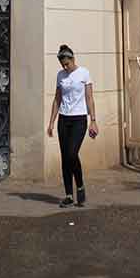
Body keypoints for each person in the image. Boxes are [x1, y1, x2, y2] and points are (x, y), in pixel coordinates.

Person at [48, 42, 98, 207]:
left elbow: (89, 98)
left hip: (79, 119)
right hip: (64, 119)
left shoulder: (84, 73)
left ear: (73, 58)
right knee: (65, 158)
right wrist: (51, 122)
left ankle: (81, 185)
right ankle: (69, 194)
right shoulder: (60, 75)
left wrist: (93, 121)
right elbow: (57, 99)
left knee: (71, 154)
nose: (65, 67)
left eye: (67, 63)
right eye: (62, 64)